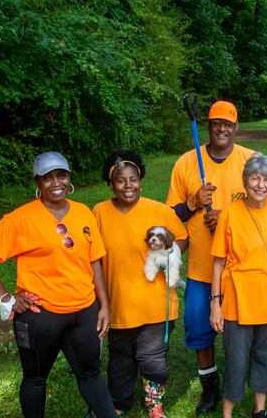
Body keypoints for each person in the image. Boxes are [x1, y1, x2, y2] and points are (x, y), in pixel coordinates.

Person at [0, 151, 116, 418]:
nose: (56, 183)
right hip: (41, 315)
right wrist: (6, 298)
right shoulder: (20, 219)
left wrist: (103, 305)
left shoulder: (83, 212)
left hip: (84, 311)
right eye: (47, 178)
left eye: (61, 175)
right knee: (36, 380)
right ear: (37, 183)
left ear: (69, 178)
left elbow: (94, 261)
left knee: (92, 374)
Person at [166, 100, 267, 413]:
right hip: (203, 267)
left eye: (228, 124)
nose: (222, 129)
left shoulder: (251, 161)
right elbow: (172, 215)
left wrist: (226, 218)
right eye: (216, 123)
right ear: (209, 126)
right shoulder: (187, 162)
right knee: (201, 331)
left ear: (236, 127)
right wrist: (193, 202)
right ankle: (210, 386)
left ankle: (257, 386)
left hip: (245, 270)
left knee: (254, 331)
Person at [93, 151, 189, 417]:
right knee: (120, 359)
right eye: (120, 181)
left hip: (155, 302)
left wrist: (169, 256)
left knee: (153, 357)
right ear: (110, 184)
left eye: (133, 179)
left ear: (140, 181)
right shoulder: (99, 213)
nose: (128, 186)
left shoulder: (159, 210)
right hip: (118, 302)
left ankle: (154, 404)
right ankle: (118, 404)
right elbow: (91, 256)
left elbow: (181, 238)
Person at [209, 154, 267, 418]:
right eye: (255, 178)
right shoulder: (230, 213)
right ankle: (228, 412)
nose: (261, 185)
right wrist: (215, 303)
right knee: (236, 360)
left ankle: (260, 410)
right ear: (245, 181)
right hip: (237, 299)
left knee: (264, 354)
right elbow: (218, 262)